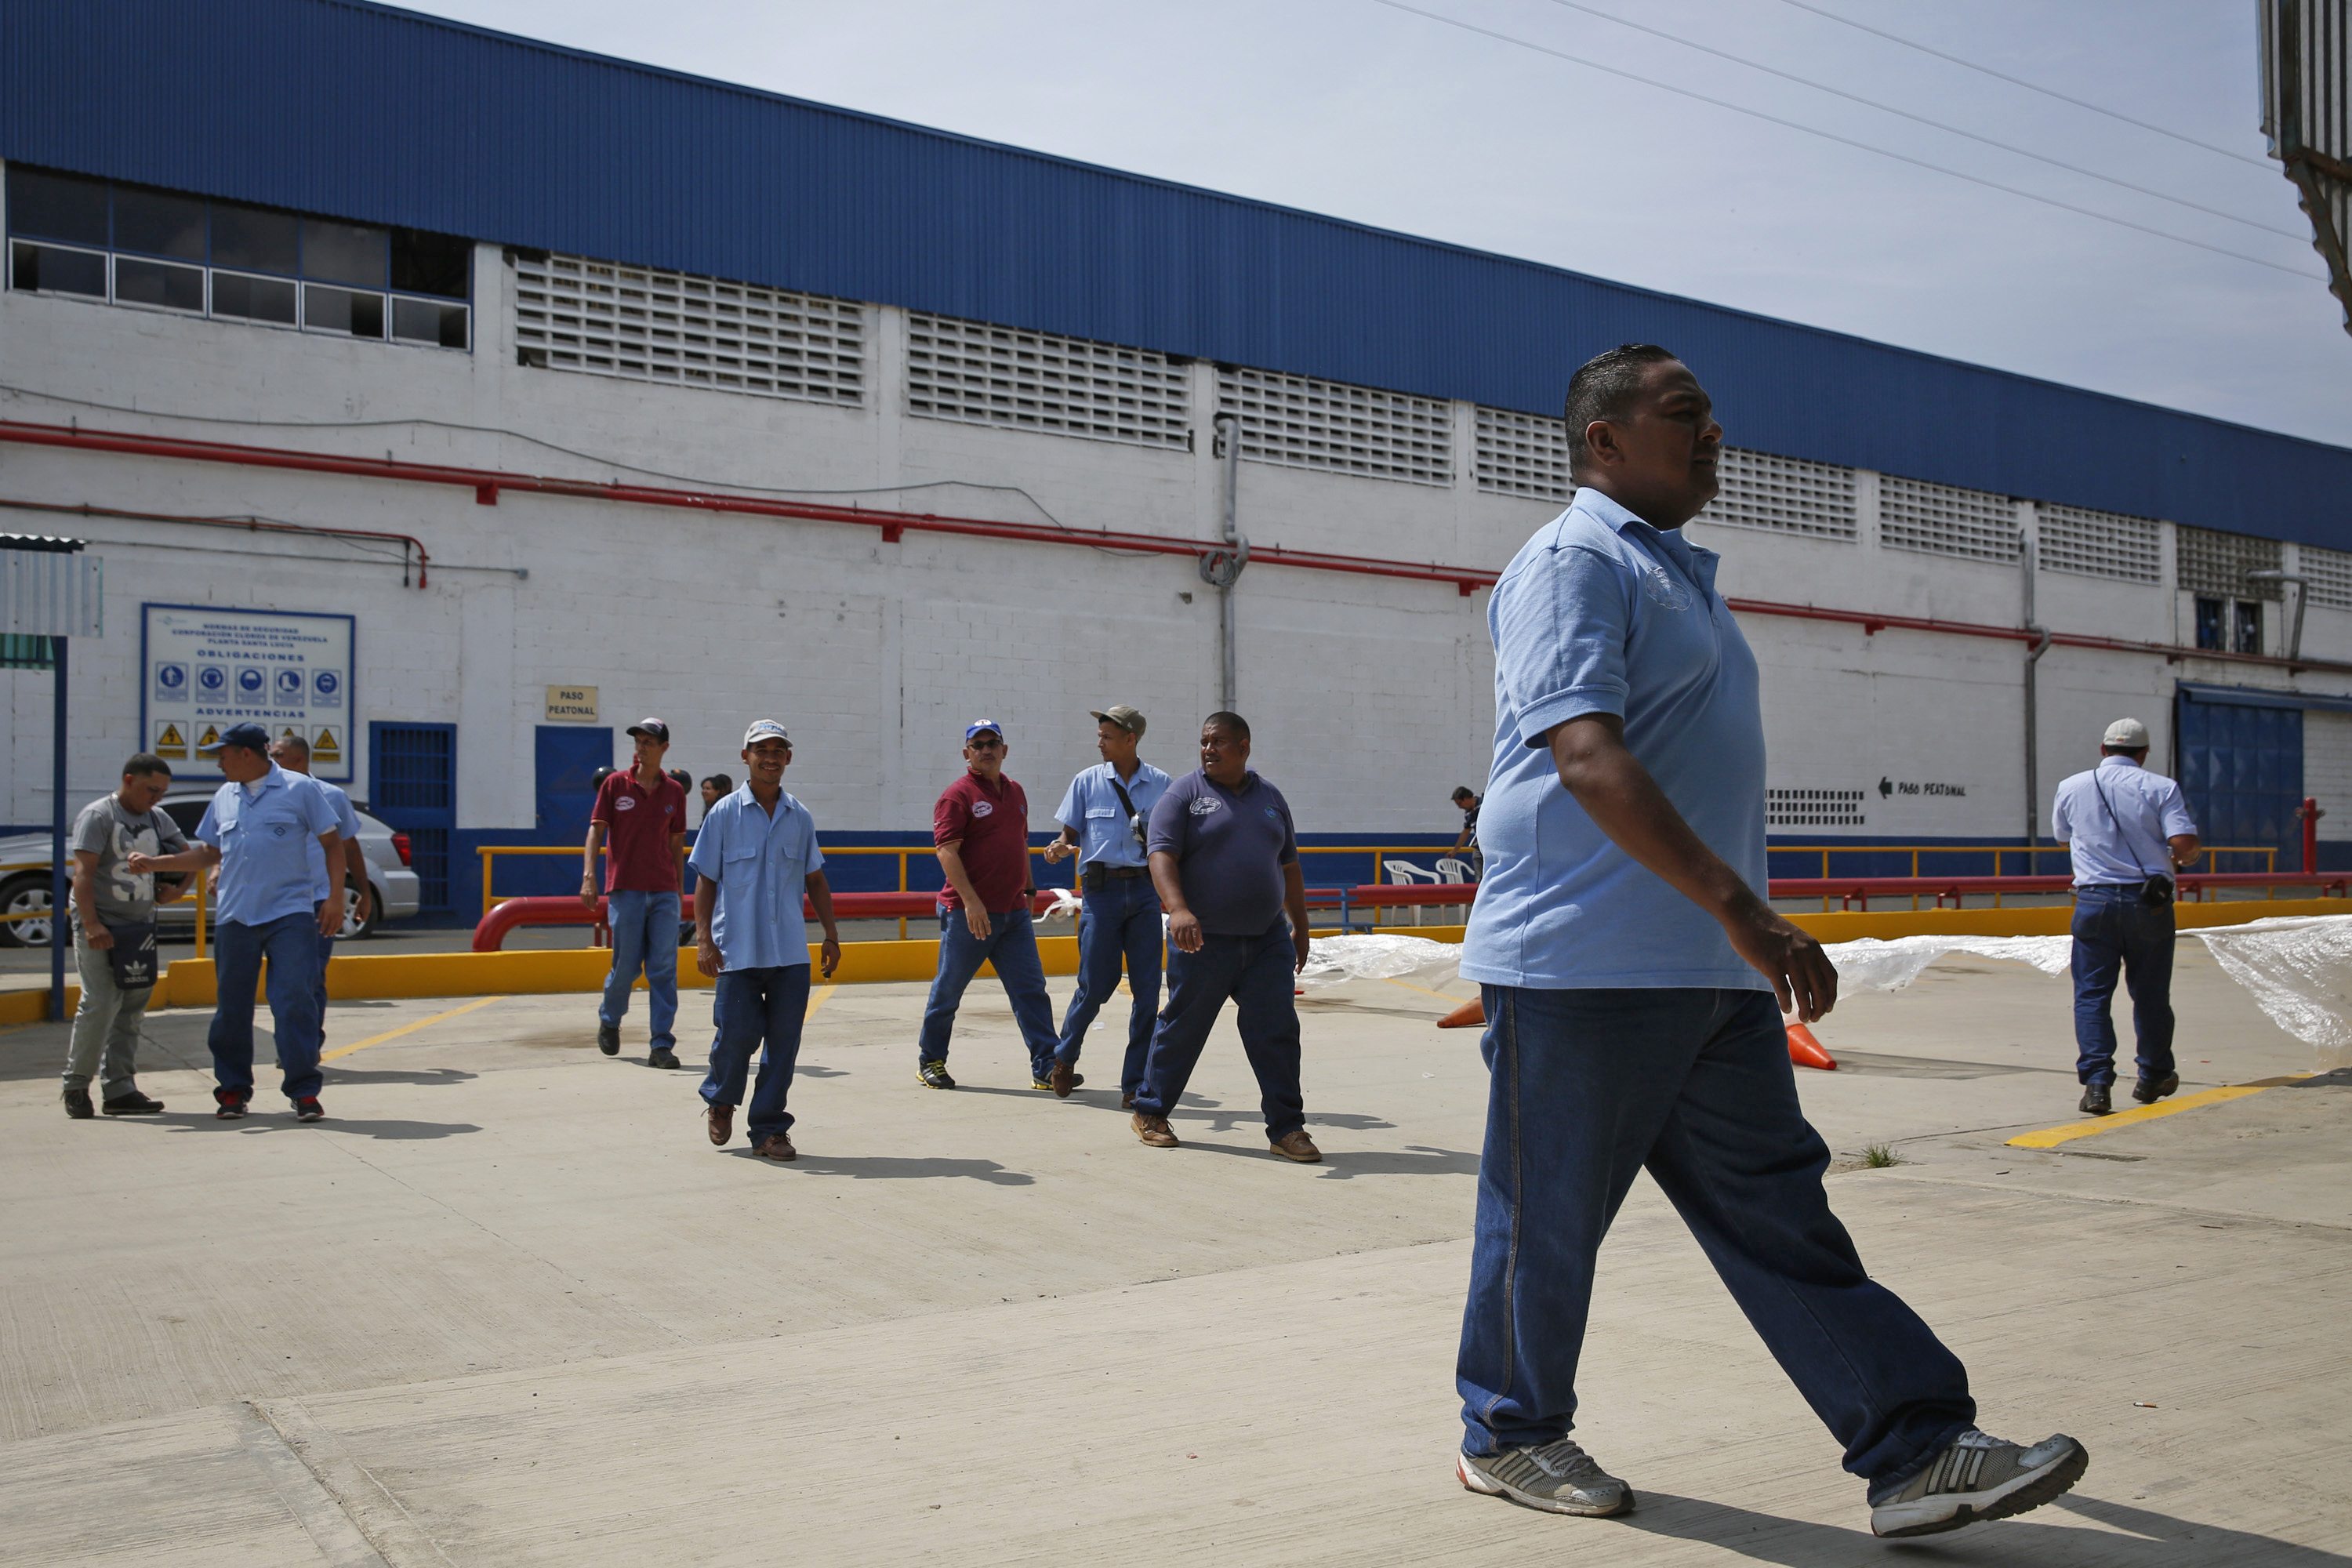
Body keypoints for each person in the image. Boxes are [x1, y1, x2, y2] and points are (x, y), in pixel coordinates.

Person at [1451, 344, 2082, 1538]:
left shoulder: (1673, 571)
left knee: (1784, 1218)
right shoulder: (1573, 561)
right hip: (1584, 966)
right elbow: (1584, 755)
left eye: (1711, 415)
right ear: (1604, 440)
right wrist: (1746, 908)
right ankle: (1509, 1433)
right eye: (1684, 414)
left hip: (1697, 969)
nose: (1713, 434)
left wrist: (1730, 929)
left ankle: (1916, 1452)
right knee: (1547, 1226)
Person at [1127, 712, 1319, 1163]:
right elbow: (1160, 856)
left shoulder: (1271, 798)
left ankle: (1287, 1129)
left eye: (1218, 742)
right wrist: (1178, 909)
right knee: (1183, 1027)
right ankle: (1150, 1111)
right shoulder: (1184, 795)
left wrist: (1301, 927)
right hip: (1202, 940)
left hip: (1267, 939)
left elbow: (1289, 866)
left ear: (1244, 746)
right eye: (1204, 742)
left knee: (1276, 1031)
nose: (1208, 750)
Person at [128, 722, 344, 1121]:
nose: (219, 764)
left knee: (295, 1000)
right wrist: (158, 864)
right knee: (231, 1008)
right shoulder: (225, 796)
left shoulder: (301, 790)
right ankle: (232, 1090)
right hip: (236, 916)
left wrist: (334, 898)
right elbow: (209, 853)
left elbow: (334, 845)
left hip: (290, 914)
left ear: (246, 754)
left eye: (223, 755)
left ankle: (303, 1090)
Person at [691, 721, 840, 1160]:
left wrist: (831, 934)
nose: (770, 757)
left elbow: (815, 879)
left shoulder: (800, 817)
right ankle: (721, 1100)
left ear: (788, 759)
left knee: (783, 1044)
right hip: (736, 950)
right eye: (761, 750)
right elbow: (705, 882)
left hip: (789, 953)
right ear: (745, 757)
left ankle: (770, 1130)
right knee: (735, 1035)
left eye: (778, 750)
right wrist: (703, 940)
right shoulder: (723, 814)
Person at [2050, 717, 2200, 1116]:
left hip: (2093, 902)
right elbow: (2183, 844)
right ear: (2144, 753)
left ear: (2103, 750)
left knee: (2092, 996)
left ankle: (2097, 1085)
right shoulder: (2161, 787)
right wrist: (2186, 856)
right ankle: (2153, 1077)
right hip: (2147, 905)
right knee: (2150, 995)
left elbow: (2063, 835)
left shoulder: (2071, 786)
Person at [916, 720, 1058, 1090]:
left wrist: (1029, 891)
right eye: (977, 745)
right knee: (949, 990)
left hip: (1013, 914)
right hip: (969, 915)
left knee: (1031, 991)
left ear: (1004, 749)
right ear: (967, 754)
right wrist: (971, 903)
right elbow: (946, 851)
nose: (986, 750)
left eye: (992, 742)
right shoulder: (957, 796)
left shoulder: (1016, 792)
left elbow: (1019, 843)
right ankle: (930, 1059)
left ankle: (1047, 1066)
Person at [1041, 705, 1172, 1105]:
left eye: (1107, 736)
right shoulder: (1087, 782)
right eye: (1099, 735)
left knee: (1148, 992)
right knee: (1096, 985)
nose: (1099, 742)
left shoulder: (1163, 785)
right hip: (1101, 895)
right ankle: (1064, 1057)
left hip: (1146, 894)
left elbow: (1172, 841)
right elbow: (1069, 832)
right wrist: (1060, 847)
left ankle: (1134, 1084)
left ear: (1130, 739)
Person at [60, 753, 189, 1119]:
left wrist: (178, 890)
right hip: (102, 925)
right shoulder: (99, 816)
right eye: (151, 789)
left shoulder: (157, 818)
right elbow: (83, 874)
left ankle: (119, 1088)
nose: (156, 798)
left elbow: (187, 856)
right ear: (129, 780)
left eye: (162, 792)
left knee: (131, 1009)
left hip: (139, 927)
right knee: (100, 1004)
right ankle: (75, 1085)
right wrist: (91, 925)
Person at [583, 719, 688, 1068]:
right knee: (626, 967)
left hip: (663, 892)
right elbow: (596, 833)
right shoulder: (615, 785)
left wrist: (678, 890)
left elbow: (676, 842)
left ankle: (661, 1044)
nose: (642, 747)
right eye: (639, 741)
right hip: (625, 889)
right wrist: (589, 877)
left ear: (664, 749)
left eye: (649, 742)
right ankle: (610, 1018)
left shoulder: (673, 791)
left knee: (663, 968)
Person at [269, 733, 372, 1040]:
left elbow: (350, 848)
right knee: (283, 979)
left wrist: (363, 893)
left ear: (298, 759)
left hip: (317, 903)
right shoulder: (267, 796)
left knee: (311, 976)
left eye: (277, 756)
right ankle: (288, 1041)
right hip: (278, 903)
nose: (271, 761)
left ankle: (308, 1040)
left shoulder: (331, 795)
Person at [1450, 786, 1482, 856]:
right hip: (1481, 847)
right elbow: (1466, 832)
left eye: (1460, 803)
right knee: (1477, 856)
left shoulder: (1484, 804)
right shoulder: (1468, 814)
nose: (1459, 807)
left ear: (1466, 798)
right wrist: (1454, 851)